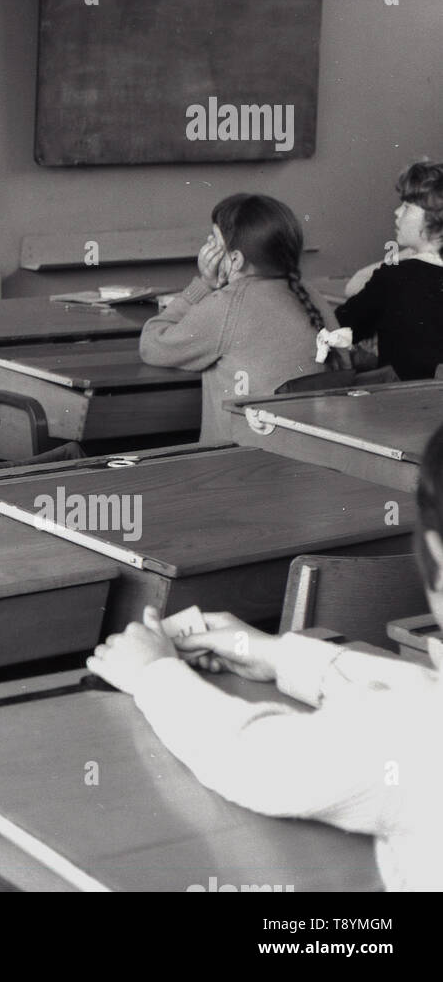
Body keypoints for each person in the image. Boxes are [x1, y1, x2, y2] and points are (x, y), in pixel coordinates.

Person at [87, 421, 443, 892]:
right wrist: (276, 656)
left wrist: (155, 674)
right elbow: (419, 693)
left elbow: (257, 760)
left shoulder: (414, 736)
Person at [139, 194, 339, 442]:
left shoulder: (228, 304)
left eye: (214, 240)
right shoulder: (312, 296)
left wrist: (204, 284)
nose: (208, 245)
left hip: (238, 461)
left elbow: (152, 345)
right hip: (306, 453)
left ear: (235, 259)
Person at [335, 161, 443, 380]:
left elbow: (341, 324)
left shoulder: (395, 278)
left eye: (407, 207)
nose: (396, 212)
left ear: (436, 221)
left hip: (399, 406)